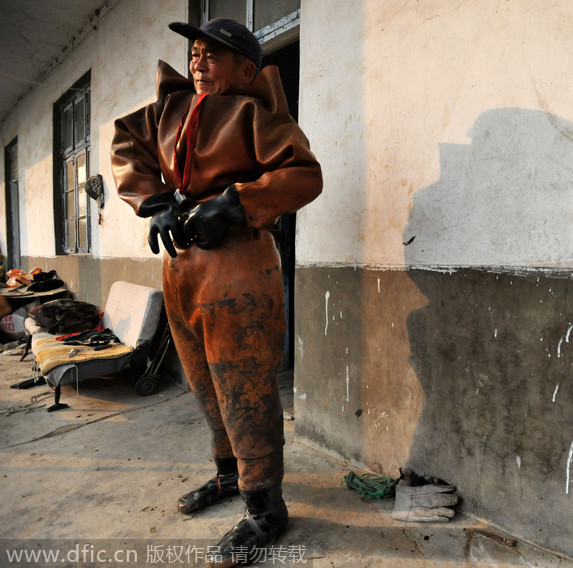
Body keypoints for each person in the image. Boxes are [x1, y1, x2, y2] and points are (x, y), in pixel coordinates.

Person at [111, 17, 322, 568]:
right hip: (181, 265)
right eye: (196, 53)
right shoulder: (168, 111)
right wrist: (155, 201)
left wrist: (232, 204)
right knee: (203, 380)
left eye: (214, 55)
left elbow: (303, 174)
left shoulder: (254, 112)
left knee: (243, 385)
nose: (199, 61)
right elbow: (126, 143)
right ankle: (230, 477)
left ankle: (265, 508)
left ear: (247, 69)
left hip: (238, 261)